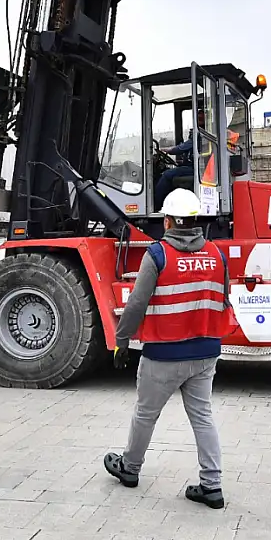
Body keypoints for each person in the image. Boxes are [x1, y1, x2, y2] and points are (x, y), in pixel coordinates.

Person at [103, 189, 236, 510]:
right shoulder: (217, 255)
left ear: (167, 222)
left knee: (146, 414)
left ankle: (130, 469)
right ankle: (212, 486)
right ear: (194, 222)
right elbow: (224, 299)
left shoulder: (158, 255)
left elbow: (135, 305)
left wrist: (121, 342)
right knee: (203, 416)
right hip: (205, 353)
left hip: (163, 354)